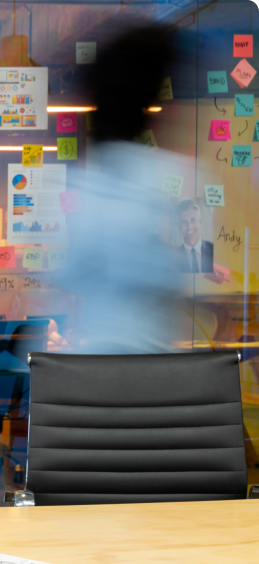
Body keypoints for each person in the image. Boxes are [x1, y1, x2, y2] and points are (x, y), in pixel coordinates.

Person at [57, 24, 185, 353]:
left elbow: (71, 272)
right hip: (151, 364)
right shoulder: (170, 175)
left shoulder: (86, 181)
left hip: (101, 362)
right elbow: (166, 277)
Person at [175, 199, 214, 274]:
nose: (189, 227)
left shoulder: (213, 250)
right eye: (184, 222)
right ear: (178, 226)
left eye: (193, 220)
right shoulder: (173, 257)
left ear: (200, 221)